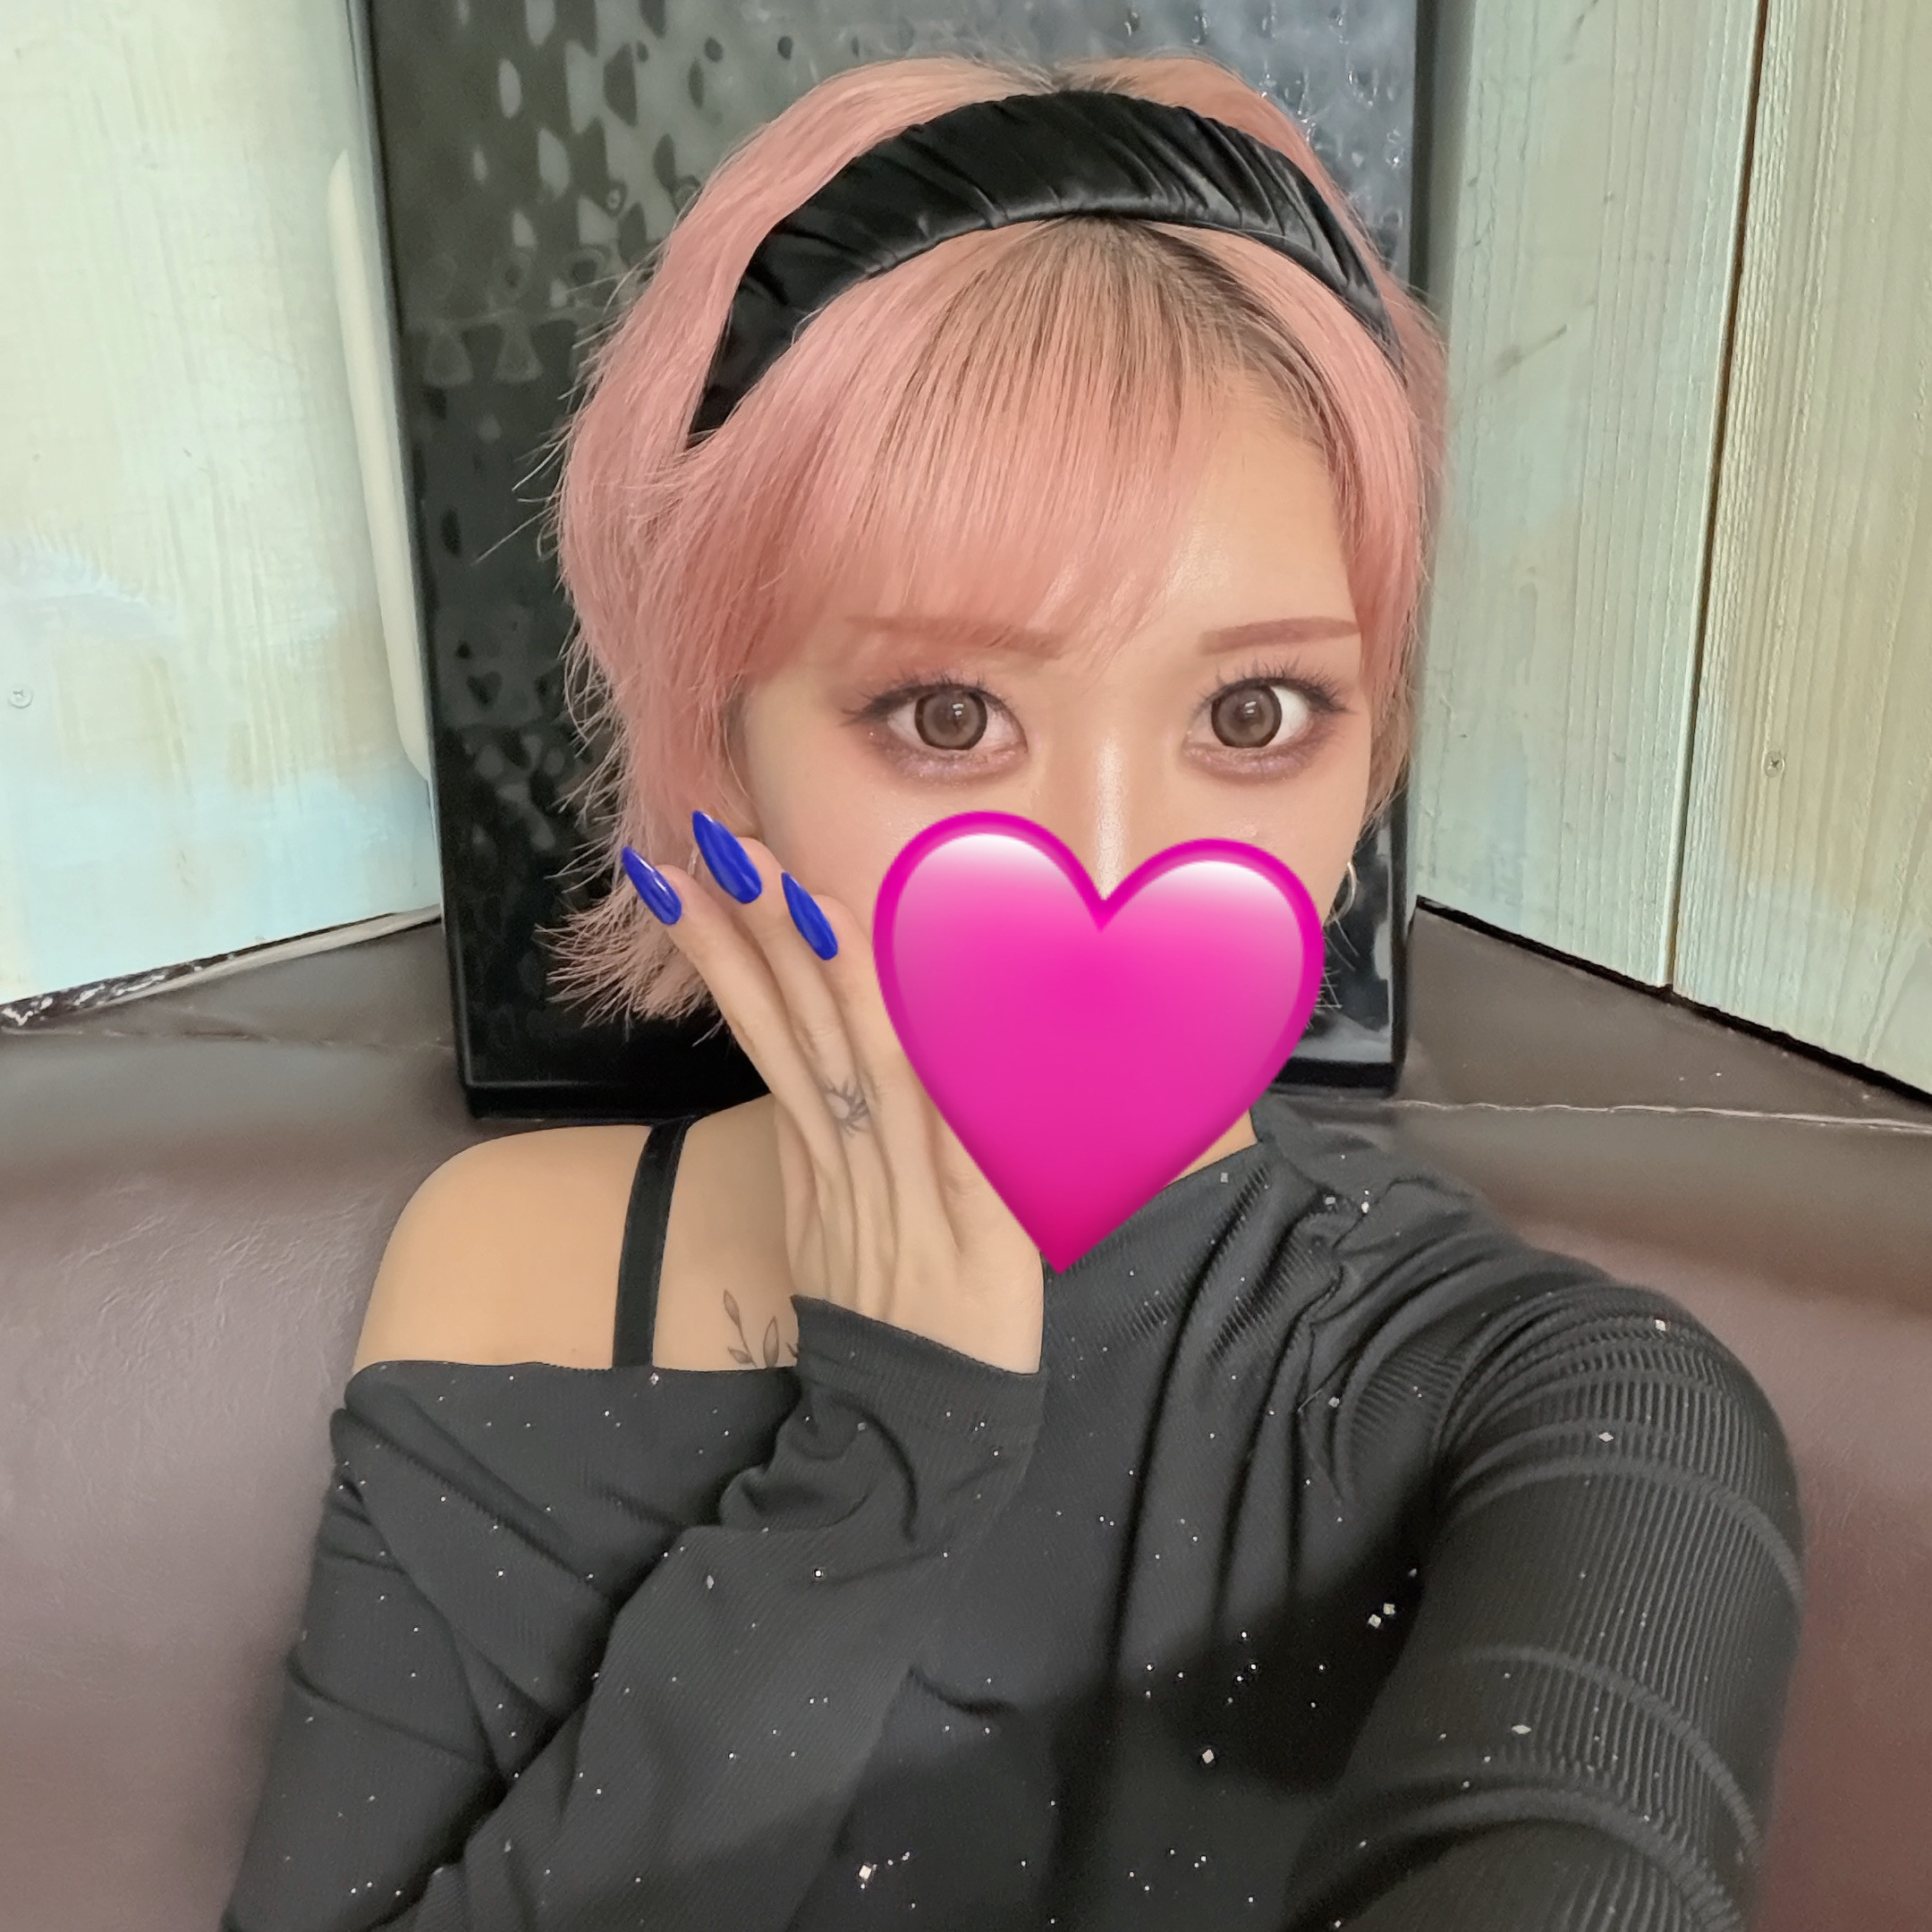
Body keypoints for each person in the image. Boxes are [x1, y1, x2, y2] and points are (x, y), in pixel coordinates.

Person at [223, 50, 1804, 1932]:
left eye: (1253, 714)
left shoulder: (1563, 1398)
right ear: (721, 752)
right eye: (949, 715)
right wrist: (887, 1468)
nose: (1109, 862)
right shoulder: (517, 1266)